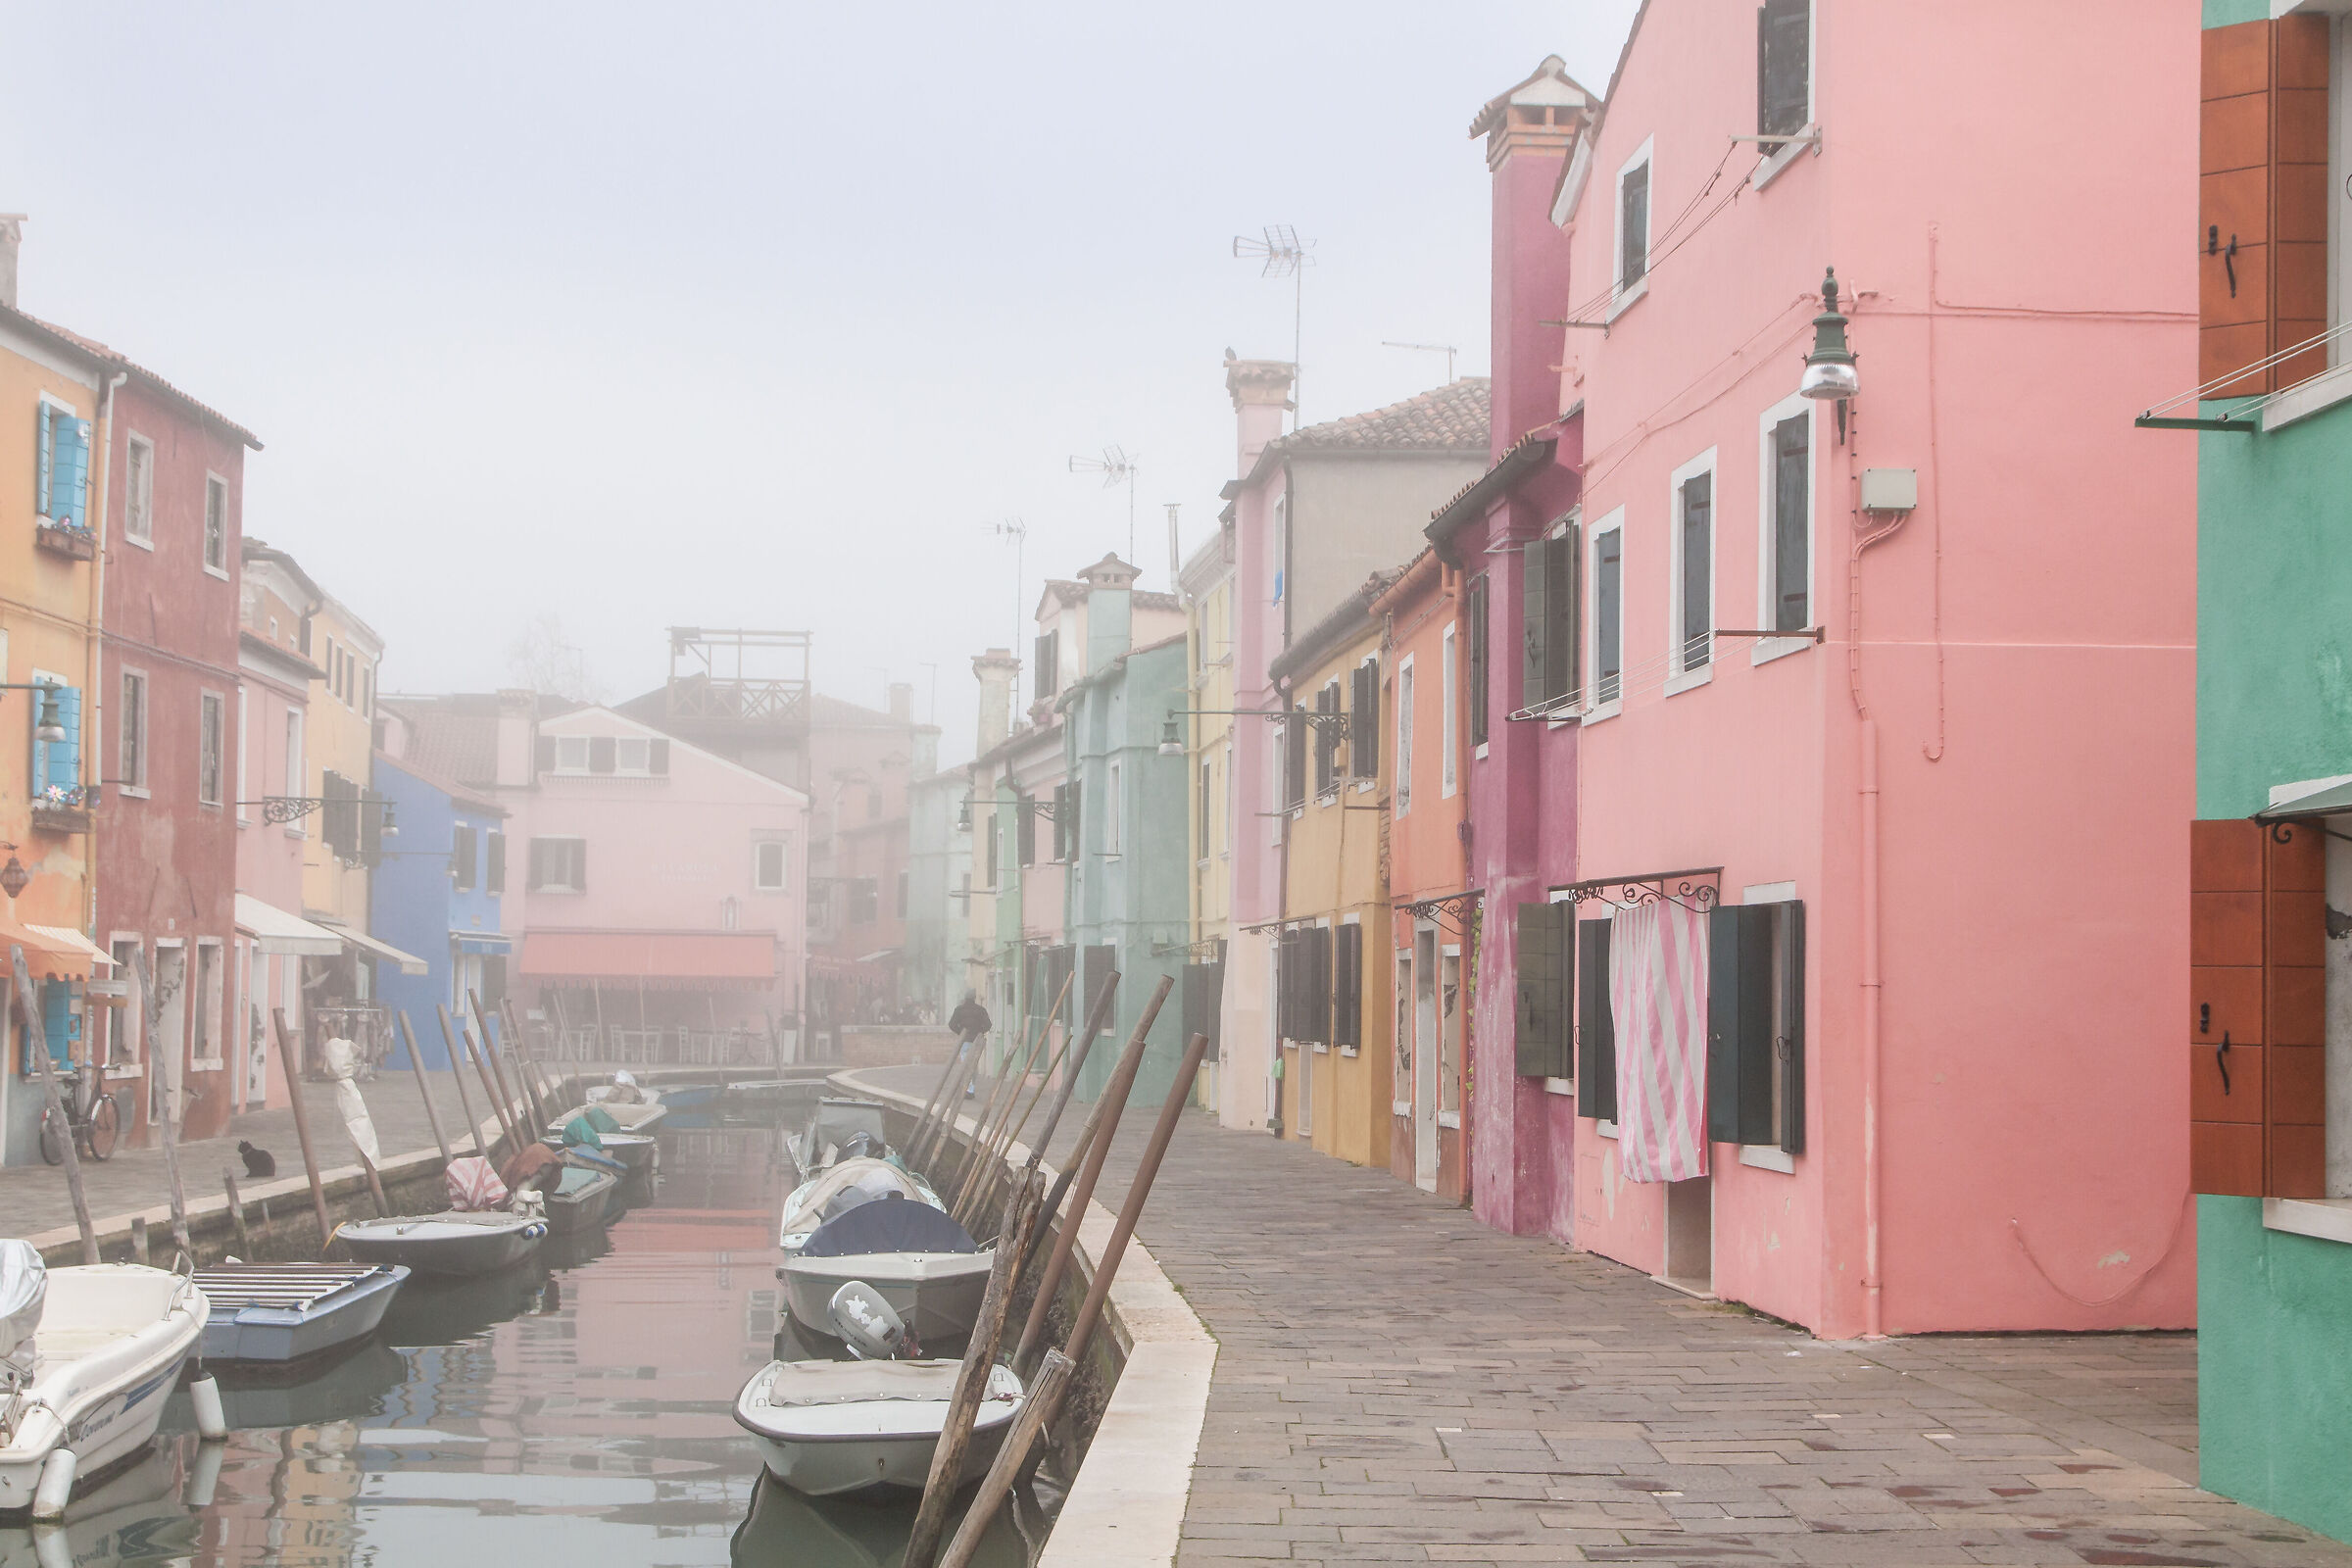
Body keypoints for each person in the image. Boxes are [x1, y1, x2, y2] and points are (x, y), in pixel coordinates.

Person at [947, 991, 992, 1098]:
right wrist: (980, 1032)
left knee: (965, 1065)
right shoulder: (981, 1010)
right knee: (973, 1066)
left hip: (965, 1041)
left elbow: (951, 1024)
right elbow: (988, 1025)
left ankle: (968, 1088)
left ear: (965, 998)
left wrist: (961, 1032)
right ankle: (971, 1089)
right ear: (974, 998)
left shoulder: (959, 1010)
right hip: (976, 1042)